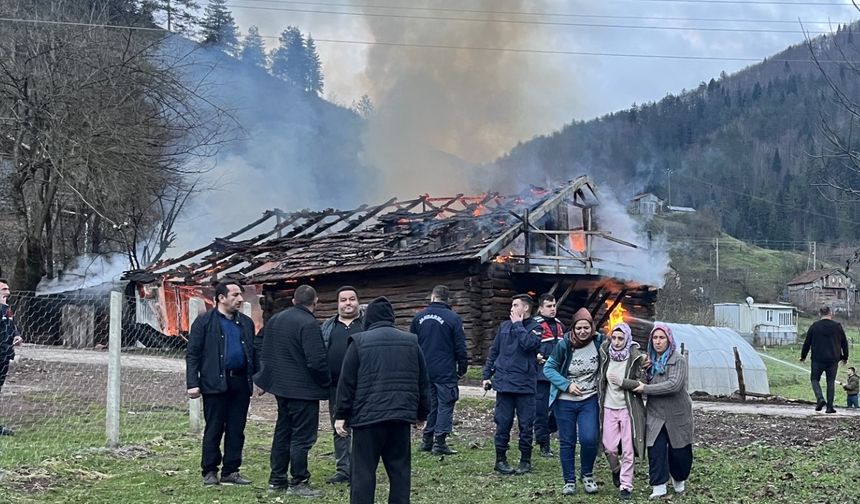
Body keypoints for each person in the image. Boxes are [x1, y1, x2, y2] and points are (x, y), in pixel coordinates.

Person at [335, 297, 431, 504]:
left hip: (367, 419)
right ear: (392, 317)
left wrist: (341, 414)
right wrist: (422, 414)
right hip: (400, 417)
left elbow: (347, 382)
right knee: (400, 472)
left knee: (363, 473)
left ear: (368, 318)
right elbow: (423, 381)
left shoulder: (358, 342)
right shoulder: (411, 341)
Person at [255, 285, 331, 497]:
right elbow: (316, 361)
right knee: (302, 438)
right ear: (315, 302)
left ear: (294, 300)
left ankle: (277, 479)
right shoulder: (308, 324)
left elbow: (261, 345)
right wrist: (325, 382)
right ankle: (299, 481)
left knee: (283, 432)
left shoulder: (277, 320)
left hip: (281, 387)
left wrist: (266, 375)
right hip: (303, 390)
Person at [186, 280, 258, 486]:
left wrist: (257, 378)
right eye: (235, 295)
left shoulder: (246, 322)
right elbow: (193, 354)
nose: (240, 299)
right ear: (221, 298)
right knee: (214, 428)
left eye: (240, 294)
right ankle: (209, 470)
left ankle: (231, 471)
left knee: (236, 429)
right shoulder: (204, 322)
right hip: (214, 382)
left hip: (240, 382)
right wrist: (193, 382)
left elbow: (252, 353)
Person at [543, 307, 602, 496]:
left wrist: (640, 358)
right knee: (567, 441)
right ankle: (569, 481)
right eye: (579, 328)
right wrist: (566, 385)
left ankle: (587, 474)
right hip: (565, 401)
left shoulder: (599, 341)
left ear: (592, 327)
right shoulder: (565, 344)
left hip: (589, 399)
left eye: (586, 327)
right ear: (573, 329)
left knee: (589, 438)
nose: (583, 332)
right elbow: (548, 368)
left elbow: (621, 349)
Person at [482, 294, 543, 475]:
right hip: (504, 385)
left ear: (525, 308)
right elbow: (494, 351)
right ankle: (500, 460)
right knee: (503, 424)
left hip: (525, 386)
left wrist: (518, 325)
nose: (511, 308)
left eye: (515, 305)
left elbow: (529, 345)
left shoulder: (536, 328)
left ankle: (525, 461)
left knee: (526, 426)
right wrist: (487, 375)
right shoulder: (503, 326)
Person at [632, 323, 693, 500]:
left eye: (662, 338)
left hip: (677, 413)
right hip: (655, 413)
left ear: (669, 339)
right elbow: (639, 381)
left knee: (679, 451)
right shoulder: (649, 361)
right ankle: (659, 486)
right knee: (656, 449)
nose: (658, 342)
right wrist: (641, 369)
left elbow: (674, 385)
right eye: (655, 338)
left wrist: (646, 389)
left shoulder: (677, 359)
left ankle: (679, 480)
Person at [410, 285, 468, 455]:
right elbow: (460, 346)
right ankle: (440, 442)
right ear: (447, 298)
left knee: (431, 404)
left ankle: (427, 439)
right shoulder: (453, 318)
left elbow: (412, 344)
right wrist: (462, 367)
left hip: (424, 369)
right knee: (446, 403)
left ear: (432, 297)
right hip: (445, 369)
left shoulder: (418, 317)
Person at [320, 286, 364, 484]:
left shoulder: (366, 325)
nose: (348, 303)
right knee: (340, 428)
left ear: (358, 301)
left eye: (352, 299)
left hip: (363, 387)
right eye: (343, 300)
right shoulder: (328, 326)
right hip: (335, 387)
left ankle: (361, 468)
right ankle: (343, 470)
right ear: (337, 303)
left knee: (363, 427)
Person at [598, 323, 646, 501]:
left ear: (627, 339)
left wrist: (623, 382)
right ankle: (616, 470)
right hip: (609, 407)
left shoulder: (635, 358)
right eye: (614, 338)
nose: (617, 342)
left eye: (621, 338)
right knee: (609, 447)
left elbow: (642, 384)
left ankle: (626, 485)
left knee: (628, 449)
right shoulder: (604, 354)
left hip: (628, 409)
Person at [532, 293, 564, 458]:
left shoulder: (560, 325)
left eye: (554, 306)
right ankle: (544, 444)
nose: (552, 309)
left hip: (557, 376)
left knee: (558, 411)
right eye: (549, 306)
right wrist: (534, 355)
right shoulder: (534, 325)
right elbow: (527, 346)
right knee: (541, 411)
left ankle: (542, 433)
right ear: (541, 308)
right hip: (541, 375)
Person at [800, 306, 849, 413]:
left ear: (820, 314)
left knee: (814, 379)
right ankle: (829, 407)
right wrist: (845, 357)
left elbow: (807, 343)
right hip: (833, 359)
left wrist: (803, 356)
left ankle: (820, 399)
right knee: (830, 382)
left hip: (817, 359)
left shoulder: (814, 326)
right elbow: (844, 343)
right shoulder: (837, 326)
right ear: (830, 313)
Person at [0, 279, 23, 436]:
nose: (7, 292)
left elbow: (11, 325)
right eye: (3, 289)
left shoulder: (7, 309)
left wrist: (17, 336)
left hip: (5, 353)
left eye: (7, 289)